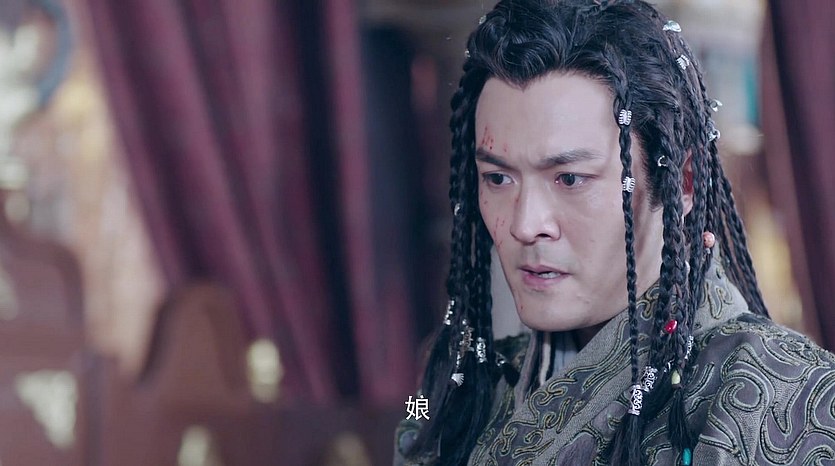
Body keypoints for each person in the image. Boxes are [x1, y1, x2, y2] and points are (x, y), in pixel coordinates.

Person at [393, 0, 835, 465]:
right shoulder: (454, 394)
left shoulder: (796, 397)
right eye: (498, 178)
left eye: (570, 179)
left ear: (682, 183)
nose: (525, 225)